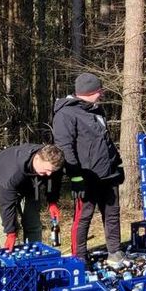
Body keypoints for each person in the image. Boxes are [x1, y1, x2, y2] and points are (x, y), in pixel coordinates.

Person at [53, 72, 125, 266]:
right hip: (85, 176)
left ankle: (115, 251)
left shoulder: (97, 111)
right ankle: (80, 258)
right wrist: (76, 177)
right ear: (90, 92)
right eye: (99, 91)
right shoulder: (65, 114)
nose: (101, 94)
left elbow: (105, 141)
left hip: (108, 174)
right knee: (83, 217)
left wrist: (116, 163)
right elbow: (64, 147)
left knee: (112, 214)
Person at [0, 144, 65, 250]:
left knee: (33, 222)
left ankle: (34, 256)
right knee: (7, 227)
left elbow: (54, 180)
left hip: (29, 183)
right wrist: (10, 232)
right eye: (46, 170)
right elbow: (6, 204)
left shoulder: (53, 163)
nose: (49, 174)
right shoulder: (12, 172)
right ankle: (12, 260)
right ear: (37, 158)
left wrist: (52, 201)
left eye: (52, 171)